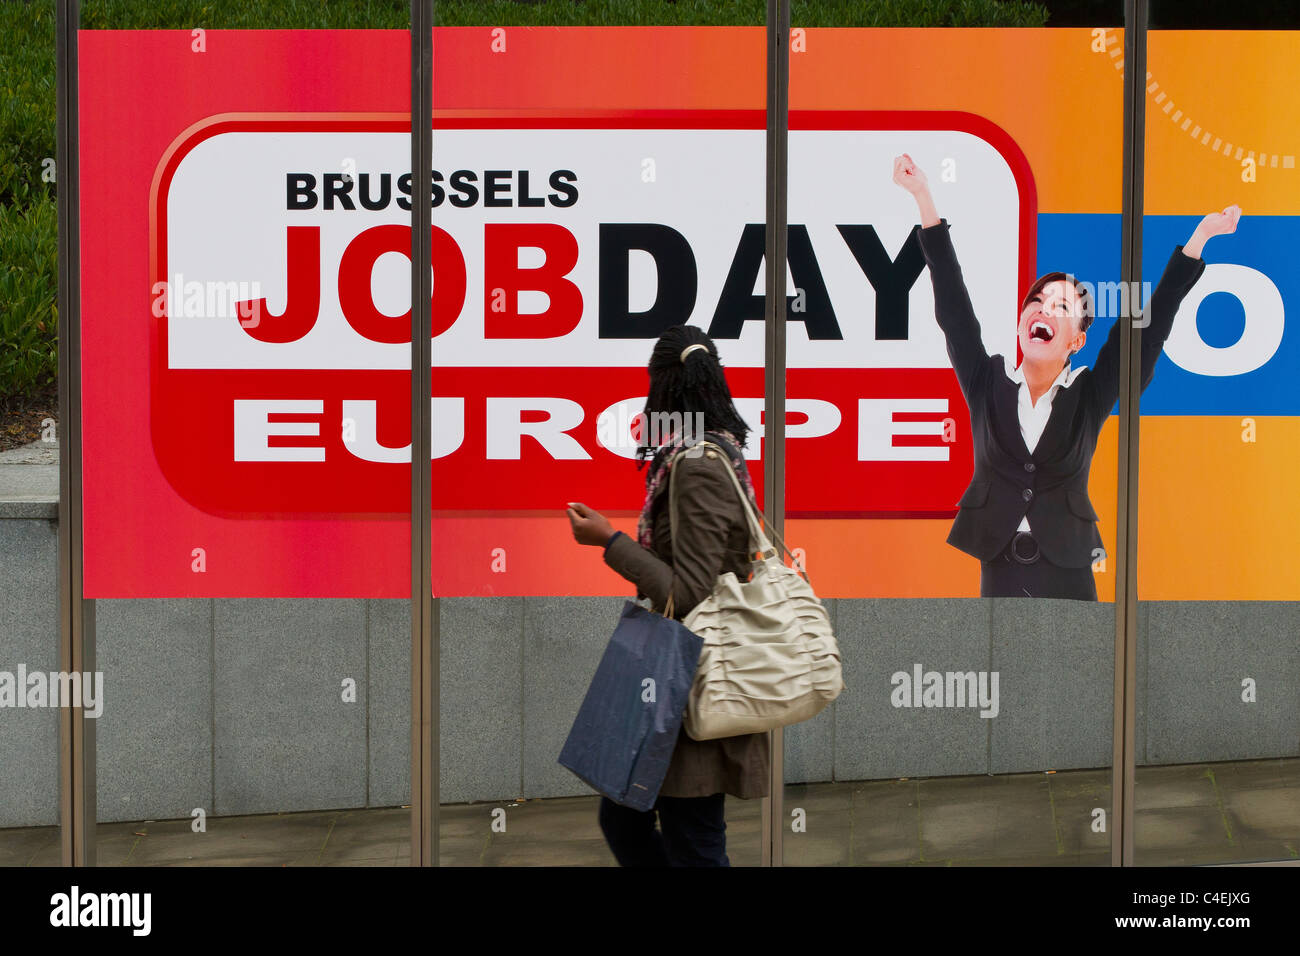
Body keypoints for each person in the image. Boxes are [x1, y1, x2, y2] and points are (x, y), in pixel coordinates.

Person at [893, 152, 1241, 599]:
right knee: (1003, 668)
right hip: (999, 564)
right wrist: (923, 196)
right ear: (1023, 321)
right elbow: (954, 307)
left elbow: (1147, 331)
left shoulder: (1090, 395)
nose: (1043, 308)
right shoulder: (987, 383)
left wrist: (1199, 239)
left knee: (1077, 668)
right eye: (1037, 301)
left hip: (1071, 567)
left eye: (1061, 306)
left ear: (1077, 341)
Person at [566, 324, 770, 866]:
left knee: (694, 838)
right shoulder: (694, 456)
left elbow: (691, 594)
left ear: (664, 388)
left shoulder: (698, 466)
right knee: (624, 818)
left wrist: (607, 541)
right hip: (671, 676)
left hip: (695, 682)